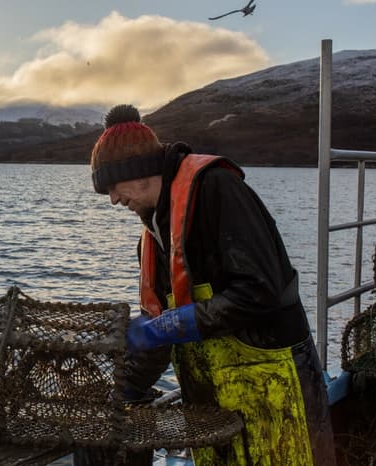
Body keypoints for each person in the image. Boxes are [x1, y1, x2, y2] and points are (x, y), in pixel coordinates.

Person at [86, 104, 336, 465]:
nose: (112, 199)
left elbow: (259, 291)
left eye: (114, 185)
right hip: (210, 402)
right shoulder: (151, 240)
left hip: (276, 381)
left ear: (141, 171)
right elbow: (155, 333)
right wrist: (125, 389)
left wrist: (172, 325)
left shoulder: (218, 190)